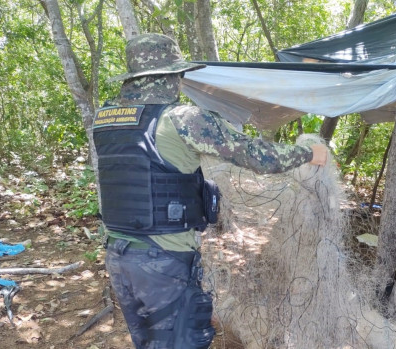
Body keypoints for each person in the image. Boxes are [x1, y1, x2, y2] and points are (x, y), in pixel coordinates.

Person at [93, 33, 328, 349]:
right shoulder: (183, 118)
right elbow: (256, 155)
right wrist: (309, 153)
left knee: (149, 341)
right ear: (174, 76)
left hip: (119, 255)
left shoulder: (104, 119)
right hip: (163, 257)